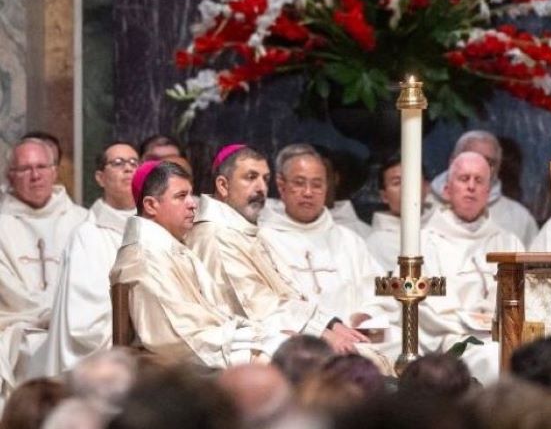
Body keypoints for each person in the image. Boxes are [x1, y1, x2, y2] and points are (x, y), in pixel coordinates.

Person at [109, 161, 338, 366]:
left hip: (347, 324)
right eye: (181, 196)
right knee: (311, 363)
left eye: (317, 184)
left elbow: (374, 284)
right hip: (188, 368)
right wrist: (268, 338)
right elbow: (179, 338)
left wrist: (369, 313)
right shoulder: (148, 258)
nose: (192, 204)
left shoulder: (350, 238)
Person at [185, 145, 370, 357]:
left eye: (265, 178)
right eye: (250, 177)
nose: (261, 187)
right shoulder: (213, 235)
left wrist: (330, 323)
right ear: (223, 185)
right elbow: (254, 303)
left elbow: (285, 289)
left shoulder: (242, 231)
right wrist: (321, 332)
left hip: (281, 332)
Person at [259, 144, 396, 354]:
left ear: (328, 187)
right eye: (299, 183)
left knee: (399, 338)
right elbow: (267, 305)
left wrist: (367, 317)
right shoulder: (264, 240)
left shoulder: (350, 241)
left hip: (354, 341)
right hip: (300, 344)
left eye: (317, 185)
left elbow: (380, 292)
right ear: (281, 185)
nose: (308, 192)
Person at [35, 142, 139, 377]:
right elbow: (84, 323)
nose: (128, 169)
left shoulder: (152, 228)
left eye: (134, 162)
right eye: (118, 163)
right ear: (100, 178)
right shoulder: (88, 236)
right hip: (111, 363)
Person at [420, 151, 524, 382]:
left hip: (503, 335)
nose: (471, 187)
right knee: (493, 357)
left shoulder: (508, 242)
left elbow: (526, 298)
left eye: (479, 181)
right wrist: (469, 324)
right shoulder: (423, 243)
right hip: (453, 337)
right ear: (447, 189)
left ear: (488, 193)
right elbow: (421, 305)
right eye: (463, 179)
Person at [0, 138, 88, 395]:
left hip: (74, 328)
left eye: (41, 166)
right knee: (32, 349)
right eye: (25, 169)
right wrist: (49, 316)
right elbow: (7, 291)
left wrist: (64, 318)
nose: (35, 175)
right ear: (10, 175)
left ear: (54, 171)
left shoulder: (82, 222)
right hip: (18, 330)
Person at [429, 130, 539, 246]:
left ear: (498, 166)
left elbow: (533, 263)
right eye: (472, 158)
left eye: (489, 162)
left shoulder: (519, 219)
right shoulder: (421, 206)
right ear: (452, 161)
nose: (480, 166)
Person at [366, 153, 432, 273]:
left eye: (412, 179)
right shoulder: (376, 244)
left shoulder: (446, 228)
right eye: (397, 183)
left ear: (427, 187)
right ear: (384, 196)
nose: (406, 188)